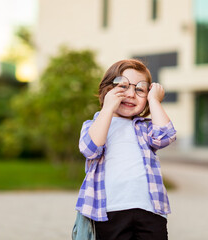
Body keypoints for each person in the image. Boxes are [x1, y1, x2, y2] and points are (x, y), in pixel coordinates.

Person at [75, 59, 176, 240]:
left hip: (150, 210)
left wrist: (155, 101)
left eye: (140, 89)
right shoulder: (95, 125)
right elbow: (90, 149)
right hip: (109, 212)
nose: (131, 93)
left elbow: (165, 136)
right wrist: (108, 108)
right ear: (107, 91)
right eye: (122, 86)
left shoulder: (146, 128)